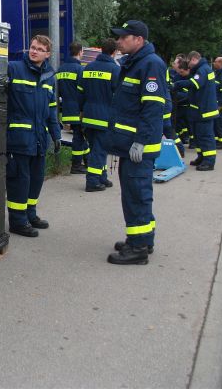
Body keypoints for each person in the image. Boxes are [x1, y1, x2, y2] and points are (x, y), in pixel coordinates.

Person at [105, 20, 167, 265]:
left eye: (123, 37)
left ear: (138, 40)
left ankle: (138, 248)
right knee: (137, 194)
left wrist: (140, 141)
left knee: (136, 196)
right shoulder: (136, 63)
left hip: (138, 148)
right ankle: (143, 238)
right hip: (130, 145)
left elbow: (153, 108)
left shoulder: (150, 64)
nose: (119, 41)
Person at [6, 35, 61, 237]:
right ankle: (17, 221)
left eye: (39, 49)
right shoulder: (13, 68)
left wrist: (56, 136)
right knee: (20, 181)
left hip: (39, 138)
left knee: (36, 180)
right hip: (18, 138)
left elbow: (52, 109)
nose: (34, 51)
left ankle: (30, 214)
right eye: (32, 47)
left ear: (47, 54)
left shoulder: (49, 77)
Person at [78, 38, 120, 192]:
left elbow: (80, 92)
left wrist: (81, 112)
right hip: (104, 116)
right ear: (114, 52)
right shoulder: (115, 70)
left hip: (88, 114)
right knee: (100, 150)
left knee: (95, 146)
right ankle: (92, 181)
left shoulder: (88, 67)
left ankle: (102, 177)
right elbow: (119, 96)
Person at [174, 51, 218, 170]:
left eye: (189, 62)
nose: (188, 65)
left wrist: (177, 84)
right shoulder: (202, 69)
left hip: (205, 110)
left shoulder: (202, 70)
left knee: (205, 136)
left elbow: (195, 84)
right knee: (198, 136)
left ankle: (209, 161)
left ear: (193, 59)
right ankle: (201, 157)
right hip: (200, 109)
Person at [56, 42, 89, 174]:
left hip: (66, 108)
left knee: (80, 135)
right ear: (80, 52)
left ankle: (88, 161)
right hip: (78, 109)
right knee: (79, 137)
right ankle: (76, 165)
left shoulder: (61, 69)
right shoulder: (80, 69)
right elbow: (84, 91)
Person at [213, 57, 222, 149]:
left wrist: (220, 105)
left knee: (220, 125)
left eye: (215, 62)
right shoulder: (218, 74)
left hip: (221, 106)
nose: (213, 63)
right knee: (217, 124)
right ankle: (218, 141)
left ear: (220, 63)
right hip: (217, 105)